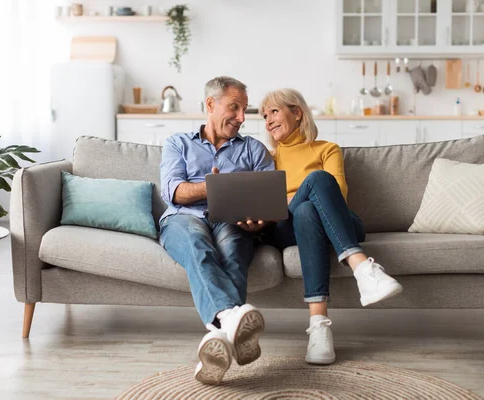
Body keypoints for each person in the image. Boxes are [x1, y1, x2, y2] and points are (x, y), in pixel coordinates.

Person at [260, 88, 403, 365]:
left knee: (308, 207)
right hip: (284, 227)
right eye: (264, 115)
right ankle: (363, 268)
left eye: (274, 111)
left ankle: (319, 330)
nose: (268, 120)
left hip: (337, 220)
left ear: (297, 112)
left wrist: (298, 195)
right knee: (310, 191)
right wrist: (299, 193)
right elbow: (269, 202)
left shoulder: (327, 148)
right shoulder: (268, 157)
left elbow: (337, 194)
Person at [159, 76, 274, 385]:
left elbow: (269, 195)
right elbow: (173, 191)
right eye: (234, 108)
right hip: (184, 218)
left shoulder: (253, 149)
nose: (240, 118)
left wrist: (261, 218)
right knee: (198, 246)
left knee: (235, 252)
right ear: (210, 105)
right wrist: (212, 188)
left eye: (244, 110)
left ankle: (218, 338)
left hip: (231, 221)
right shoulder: (177, 143)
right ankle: (231, 318)